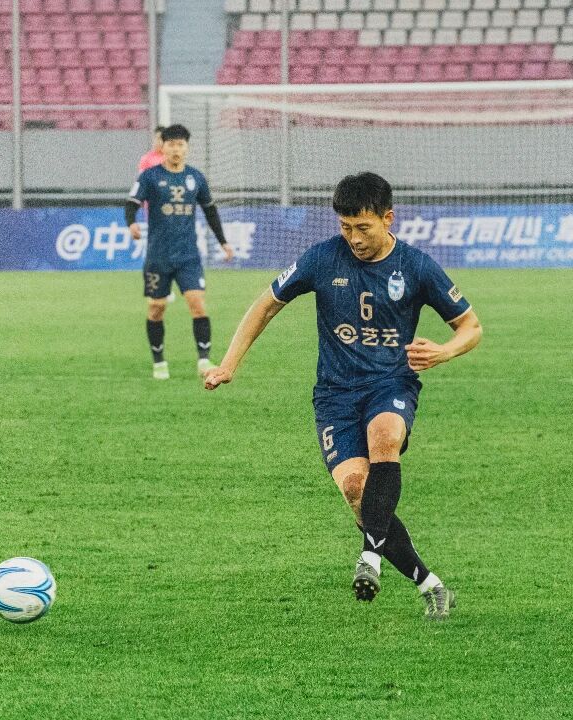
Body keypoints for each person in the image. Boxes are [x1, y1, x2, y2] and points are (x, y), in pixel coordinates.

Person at [203, 172, 482, 620]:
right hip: (335, 396)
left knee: (385, 436)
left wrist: (445, 350)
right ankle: (431, 585)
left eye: (363, 227)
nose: (354, 238)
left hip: (390, 384)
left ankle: (369, 557)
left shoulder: (416, 267)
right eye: (345, 227)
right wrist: (229, 364)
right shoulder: (322, 259)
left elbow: (471, 326)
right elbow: (266, 304)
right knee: (356, 491)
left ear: (388, 219)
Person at [126, 124, 235, 380]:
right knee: (156, 308)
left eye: (180, 144)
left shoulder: (196, 178)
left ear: (187, 148)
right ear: (162, 147)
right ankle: (159, 361)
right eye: (171, 144)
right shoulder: (150, 177)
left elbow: (210, 211)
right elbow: (131, 203)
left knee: (197, 304)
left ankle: (204, 360)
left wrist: (223, 242)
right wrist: (131, 223)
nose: (176, 149)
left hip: (188, 256)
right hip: (158, 257)